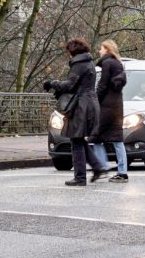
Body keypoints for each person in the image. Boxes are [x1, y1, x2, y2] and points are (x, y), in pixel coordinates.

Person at [44, 37, 105, 187]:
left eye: (68, 51)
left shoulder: (79, 64)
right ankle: (97, 167)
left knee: (75, 140)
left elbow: (70, 85)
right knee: (79, 140)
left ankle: (80, 177)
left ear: (73, 50)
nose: (68, 54)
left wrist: (52, 83)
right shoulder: (89, 62)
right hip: (90, 103)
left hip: (81, 106)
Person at [94, 40, 129, 183]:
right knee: (117, 139)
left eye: (101, 48)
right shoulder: (118, 64)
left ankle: (102, 167)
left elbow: (102, 85)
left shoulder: (107, 63)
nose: (99, 51)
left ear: (107, 49)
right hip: (117, 106)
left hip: (106, 106)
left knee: (95, 137)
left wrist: (95, 100)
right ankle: (122, 172)